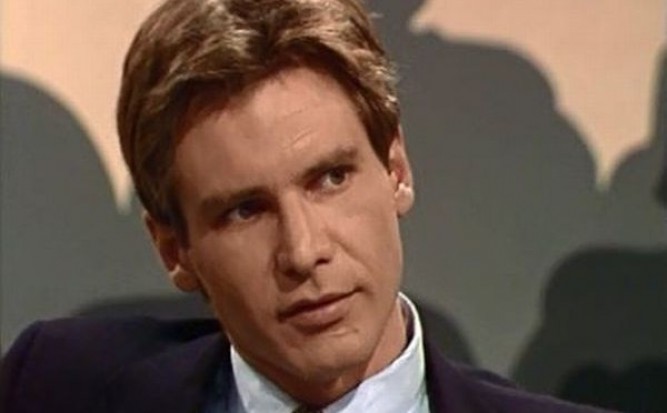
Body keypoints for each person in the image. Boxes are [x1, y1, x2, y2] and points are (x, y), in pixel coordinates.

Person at [1, 1, 616, 412]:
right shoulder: (54, 387)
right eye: (244, 211)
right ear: (174, 250)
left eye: (330, 179)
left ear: (396, 171)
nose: (303, 251)